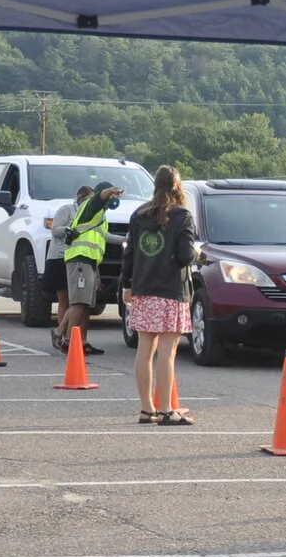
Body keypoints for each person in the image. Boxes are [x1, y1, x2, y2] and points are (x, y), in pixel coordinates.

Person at [120, 167, 198, 425]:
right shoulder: (182, 216)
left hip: (143, 288)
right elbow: (187, 255)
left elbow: (129, 253)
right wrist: (199, 255)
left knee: (145, 349)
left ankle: (147, 408)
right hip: (171, 291)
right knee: (168, 352)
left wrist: (126, 285)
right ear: (178, 186)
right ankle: (166, 410)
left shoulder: (139, 215)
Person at [54, 179, 119, 355]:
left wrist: (126, 240)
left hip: (89, 261)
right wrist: (110, 191)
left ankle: (61, 333)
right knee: (79, 302)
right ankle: (67, 340)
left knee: (86, 304)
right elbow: (99, 197)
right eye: (110, 196)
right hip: (80, 259)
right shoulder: (92, 206)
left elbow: (103, 237)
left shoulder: (100, 216)